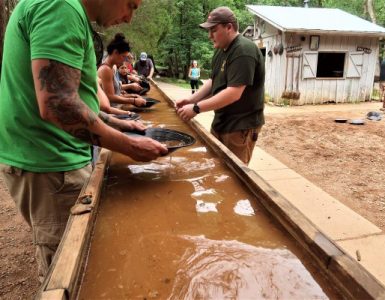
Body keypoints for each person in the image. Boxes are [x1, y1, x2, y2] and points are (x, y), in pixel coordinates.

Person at [0, 0, 168, 281]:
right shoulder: (61, 7)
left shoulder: (69, 12)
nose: (128, 18)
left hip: (53, 160)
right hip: (52, 164)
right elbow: (57, 104)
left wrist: (121, 123)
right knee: (71, 276)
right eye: (131, 5)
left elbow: (78, 100)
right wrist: (130, 145)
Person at [176, 6, 265, 165]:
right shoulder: (221, 50)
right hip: (221, 121)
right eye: (209, 31)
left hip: (240, 127)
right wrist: (191, 100)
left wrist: (197, 108)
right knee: (214, 169)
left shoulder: (244, 50)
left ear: (229, 27)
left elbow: (233, 93)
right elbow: (213, 80)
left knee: (233, 177)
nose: (210, 36)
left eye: (214, 30)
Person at [98, 33, 146, 107]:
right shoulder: (106, 69)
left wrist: (132, 96)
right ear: (115, 52)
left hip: (116, 108)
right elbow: (110, 97)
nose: (124, 60)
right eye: (123, 56)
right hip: (111, 111)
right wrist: (133, 101)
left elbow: (116, 93)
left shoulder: (112, 67)